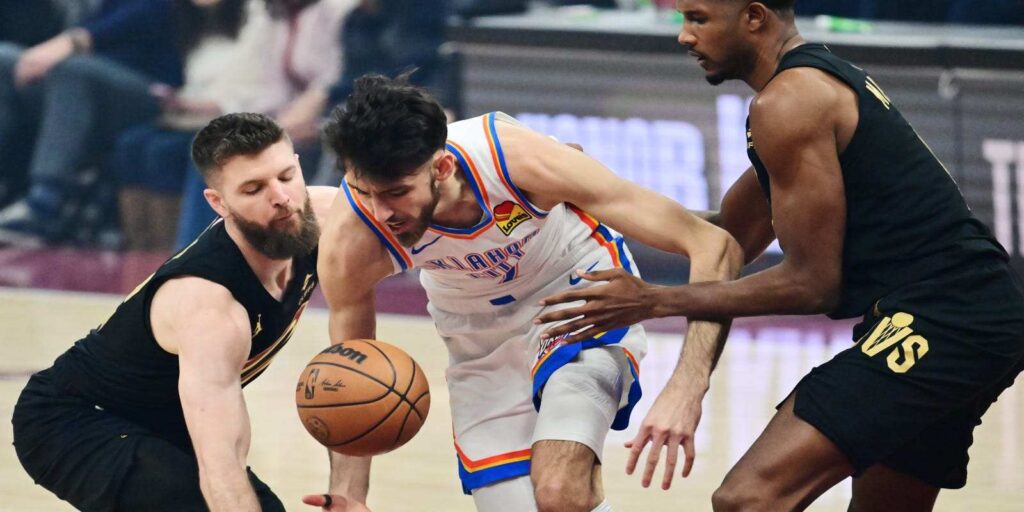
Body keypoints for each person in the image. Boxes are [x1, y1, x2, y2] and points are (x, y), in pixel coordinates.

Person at [536, 1, 1024, 510]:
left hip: (948, 316)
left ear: (753, 17)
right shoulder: (803, 86)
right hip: (973, 312)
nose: (684, 36)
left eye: (698, 18)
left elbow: (812, 284)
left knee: (747, 500)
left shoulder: (790, 102)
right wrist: (592, 190)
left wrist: (655, 300)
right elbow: (729, 236)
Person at [315, 74, 742, 512]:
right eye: (364, 192)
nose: (380, 211)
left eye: (396, 193)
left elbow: (714, 244)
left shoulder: (517, 159)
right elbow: (352, 370)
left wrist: (686, 389)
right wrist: (350, 493)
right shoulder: (353, 236)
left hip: (575, 295)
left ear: (441, 169)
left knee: (559, 491)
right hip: (478, 341)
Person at [12, 113, 346, 511]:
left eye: (286, 176)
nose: (281, 197)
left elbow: (425, 212)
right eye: (253, 188)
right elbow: (221, 466)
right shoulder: (209, 307)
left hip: (159, 416)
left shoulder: (328, 217)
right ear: (218, 203)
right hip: (72, 423)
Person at [0, 0, 184, 246]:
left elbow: (144, 16)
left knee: (72, 70)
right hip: (75, 81)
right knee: (4, 59)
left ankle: (45, 202)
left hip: (147, 87)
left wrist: (73, 41)